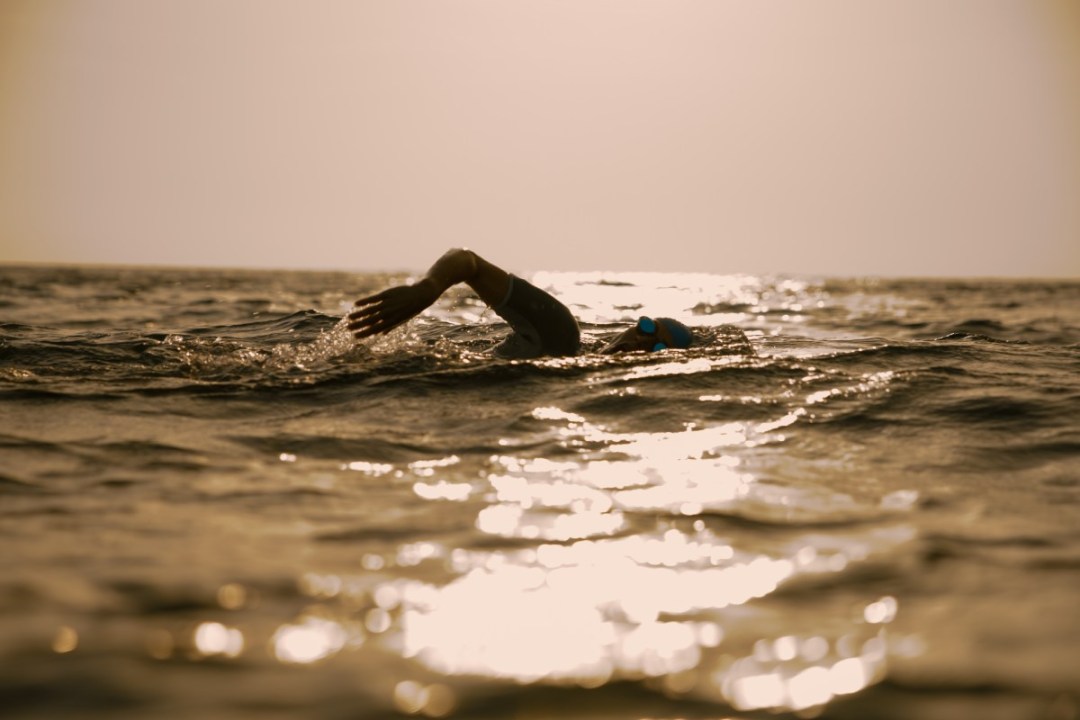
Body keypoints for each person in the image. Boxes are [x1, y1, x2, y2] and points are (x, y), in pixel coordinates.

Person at [347, 248, 693, 358]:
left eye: (659, 347)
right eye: (648, 328)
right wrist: (427, 288)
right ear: (632, 325)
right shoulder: (561, 332)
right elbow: (467, 262)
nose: (644, 342)